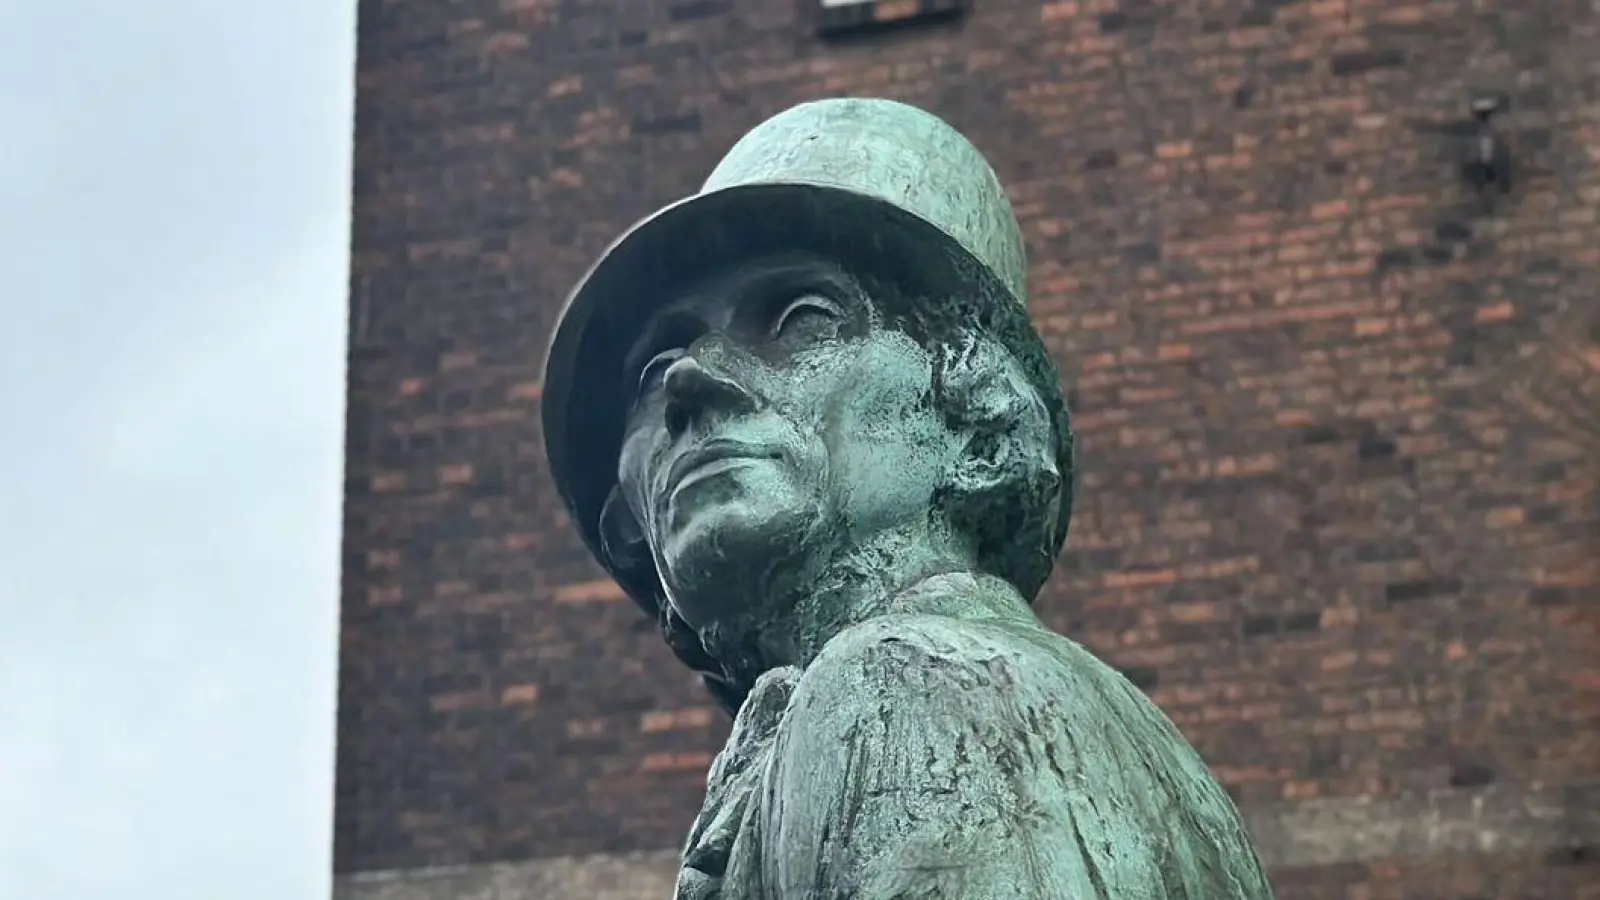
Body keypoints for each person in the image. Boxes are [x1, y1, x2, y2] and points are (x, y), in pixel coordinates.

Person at [541, 98, 1275, 900]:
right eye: (651, 371)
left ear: (975, 416)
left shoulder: (913, 683)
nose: (687, 379)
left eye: (798, 317)